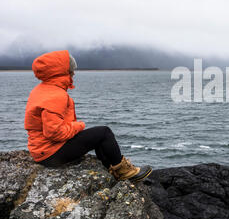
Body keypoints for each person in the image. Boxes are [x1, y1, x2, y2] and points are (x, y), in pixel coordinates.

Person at [24, 50, 152, 183]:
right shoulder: (55, 95)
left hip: (42, 151)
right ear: (61, 72)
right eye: (71, 70)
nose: (73, 73)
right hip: (51, 155)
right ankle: (124, 172)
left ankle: (113, 170)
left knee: (97, 137)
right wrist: (78, 125)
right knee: (104, 133)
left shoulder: (41, 90)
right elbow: (54, 133)